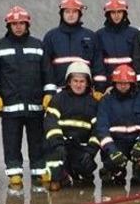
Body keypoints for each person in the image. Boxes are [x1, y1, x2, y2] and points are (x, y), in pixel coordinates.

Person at [0, 6, 51, 187]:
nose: (18, 27)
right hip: (10, 106)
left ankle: (39, 171)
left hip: (35, 105)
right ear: (8, 25)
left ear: (27, 24)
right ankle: (14, 172)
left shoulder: (38, 45)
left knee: (37, 142)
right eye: (14, 24)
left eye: (21, 23)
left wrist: (49, 94)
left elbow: (47, 73)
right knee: (11, 142)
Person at [94, 64, 140, 187]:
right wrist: (112, 150)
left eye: (126, 83)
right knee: (112, 179)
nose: (123, 86)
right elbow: (101, 128)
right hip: (117, 143)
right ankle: (114, 172)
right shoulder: (106, 101)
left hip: (138, 142)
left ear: (132, 83)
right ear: (114, 83)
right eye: (119, 83)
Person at [43, 61, 101, 190]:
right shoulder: (58, 99)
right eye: (75, 81)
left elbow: (98, 130)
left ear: (87, 83)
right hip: (60, 145)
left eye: (82, 81)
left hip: (80, 147)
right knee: (56, 158)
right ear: (69, 82)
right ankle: (58, 177)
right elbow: (50, 122)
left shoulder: (93, 103)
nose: (78, 85)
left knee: (86, 167)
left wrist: (90, 151)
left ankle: (77, 173)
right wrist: (58, 144)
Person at [43, 0, 105, 99]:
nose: (71, 15)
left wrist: (99, 89)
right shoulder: (51, 36)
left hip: (86, 94)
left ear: (80, 14)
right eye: (67, 12)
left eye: (74, 12)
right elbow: (46, 67)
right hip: (58, 94)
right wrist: (49, 92)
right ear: (62, 14)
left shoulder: (90, 36)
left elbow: (98, 65)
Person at [95, 0, 139, 93]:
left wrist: (134, 84)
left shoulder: (134, 33)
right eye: (113, 12)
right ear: (108, 14)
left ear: (124, 13)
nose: (116, 15)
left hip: (129, 85)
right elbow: (99, 65)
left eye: (119, 12)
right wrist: (103, 87)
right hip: (108, 88)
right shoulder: (99, 35)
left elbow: (137, 61)